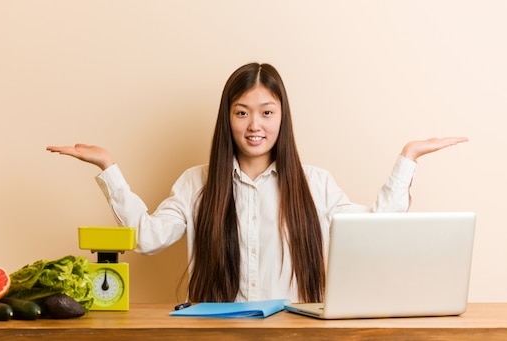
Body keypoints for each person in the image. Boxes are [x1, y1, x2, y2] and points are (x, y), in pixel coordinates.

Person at [46, 63, 467, 304]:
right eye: (242, 112)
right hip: (214, 333)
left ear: (282, 117)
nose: (254, 125)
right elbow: (147, 237)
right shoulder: (197, 183)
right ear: (226, 118)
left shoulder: (314, 185)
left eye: (267, 112)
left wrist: (407, 158)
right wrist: (108, 167)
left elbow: (374, 230)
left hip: (295, 333)